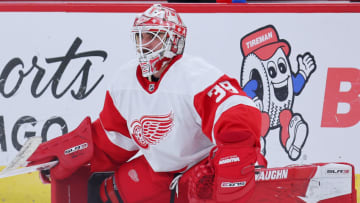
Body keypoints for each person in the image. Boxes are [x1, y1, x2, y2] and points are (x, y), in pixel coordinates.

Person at [33, 4, 264, 203]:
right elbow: (113, 140)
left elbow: (239, 116)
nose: (144, 43)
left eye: (152, 36)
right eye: (140, 36)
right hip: (160, 169)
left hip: (201, 169)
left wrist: (233, 165)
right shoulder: (125, 81)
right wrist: (72, 156)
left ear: (173, 40)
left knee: (201, 186)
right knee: (102, 193)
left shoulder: (195, 76)